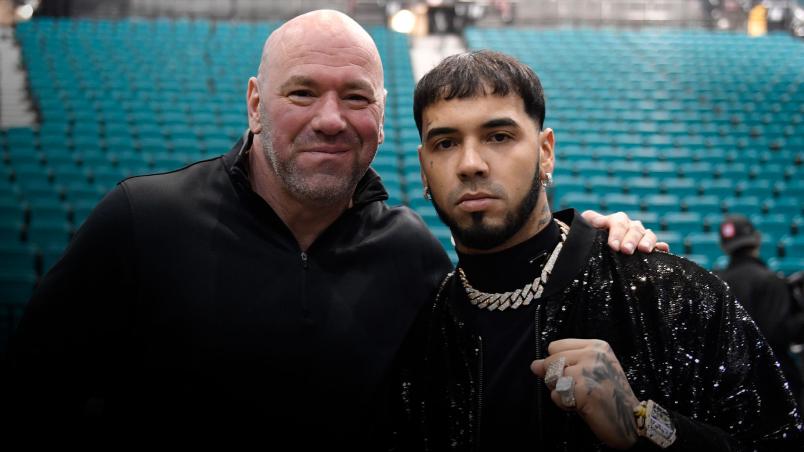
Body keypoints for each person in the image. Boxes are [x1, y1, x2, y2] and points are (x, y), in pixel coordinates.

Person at [2, 10, 661, 445]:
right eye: (301, 92)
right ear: (256, 103)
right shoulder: (142, 221)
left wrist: (592, 233)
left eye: (355, 98)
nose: (330, 119)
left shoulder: (413, 257)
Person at [393, 50, 803, 450]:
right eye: (445, 143)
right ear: (424, 167)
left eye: (498, 136)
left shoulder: (671, 293)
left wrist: (643, 420)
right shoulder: (422, 332)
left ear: (545, 152)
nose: (470, 163)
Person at [717, 214, 804, 406]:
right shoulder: (771, 280)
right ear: (757, 239)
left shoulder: (715, 282)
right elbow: (778, 334)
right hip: (773, 384)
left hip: (729, 384)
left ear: (723, 246)